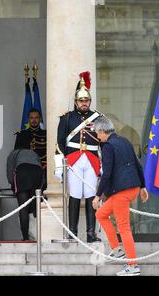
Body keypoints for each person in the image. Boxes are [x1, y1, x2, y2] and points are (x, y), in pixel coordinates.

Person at [92, 115, 149, 276]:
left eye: (98, 133)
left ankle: (133, 266)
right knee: (101, 214)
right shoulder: (125, 141)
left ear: (103, 131)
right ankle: (116, 250)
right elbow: (138, 163)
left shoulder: (108, 146)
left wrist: (97, 195)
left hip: (122, 192)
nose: (97, 137)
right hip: (132, 188)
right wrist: (142, 186)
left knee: (124, 228)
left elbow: (107, 174)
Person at [56, 71, 101, 243]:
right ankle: (72, 233)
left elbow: (103, 143)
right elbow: (59, 142)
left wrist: (103, 164)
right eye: (81, 101)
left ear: (90, 101)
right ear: (76, 102)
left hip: (91, 160)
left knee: (91, 196)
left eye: (86, 100)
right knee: (74, 196)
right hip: (73, 160)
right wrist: (60, 166)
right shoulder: (67, 118)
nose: (84, 103)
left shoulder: (98, 118)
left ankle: (91, 234)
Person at [6, 148, 44, 242]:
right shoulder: (33, 153)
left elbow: (10, 173)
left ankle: (25, 238)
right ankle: (39, 235)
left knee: (23, 209)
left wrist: (13, 187)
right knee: (36, 208)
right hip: (37, 173)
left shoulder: (12, 154)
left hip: (22, 173)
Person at [14, 108, 47, 189]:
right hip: (27, 169)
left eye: (36, 118)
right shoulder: (21, 135)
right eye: (31, 118)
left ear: (40, 119)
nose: (34, 120)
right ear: (28, 119)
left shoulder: (46, 134)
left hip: (43, 168)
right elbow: (17, 154)